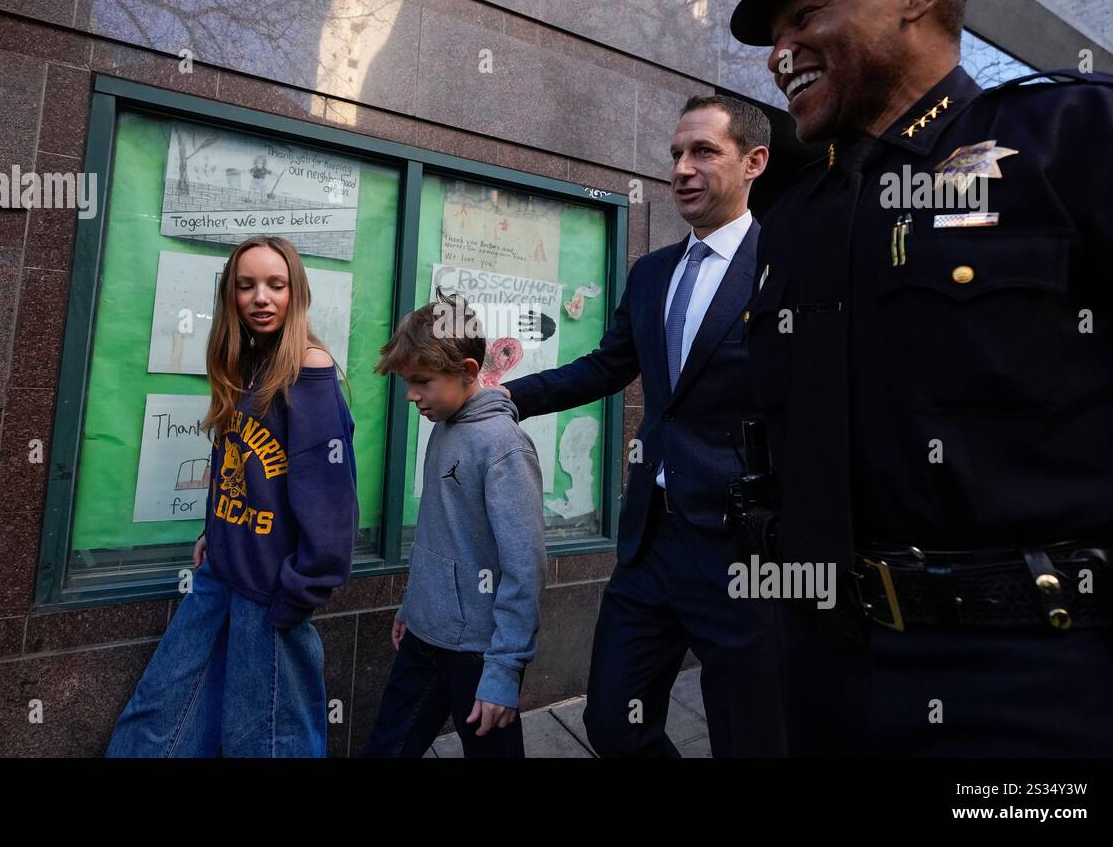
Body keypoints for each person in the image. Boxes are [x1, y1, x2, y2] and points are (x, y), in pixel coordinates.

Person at [732, 0, 1113, 755]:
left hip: (1029, 689)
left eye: (806, 15)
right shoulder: (794, 219)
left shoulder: (1082, 141)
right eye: (775, 32)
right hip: (819, 675)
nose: (780, 55)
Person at [502, 95, 786, 757]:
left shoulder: (788, 267)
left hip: (743, 551)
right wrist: (499, 399)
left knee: (753, 737)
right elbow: (604, 368)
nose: (682, 169)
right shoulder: (653, 272)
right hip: (650, 542)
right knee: (613, 724)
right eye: (675, 155)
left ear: (755, 162)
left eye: (703, 152)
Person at [106, 235, 358, 758]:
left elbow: (332, 505)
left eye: (276, 284)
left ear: (297, 293)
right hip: (221, 571)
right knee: (160, 715)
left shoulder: (308, 373)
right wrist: (212, 530)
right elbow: (235, 461)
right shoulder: (246, 365)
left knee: (266, 742)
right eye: (246, 286)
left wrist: (297, 592)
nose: (260, 297)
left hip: (269, 591)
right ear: (230, 297)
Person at [361, 290, 547, 758]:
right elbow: (438, 532)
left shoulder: (504, 447)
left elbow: (525, 567)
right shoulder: (443, 427)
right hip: (424, 637)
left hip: (480, 654)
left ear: (467, 371)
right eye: (408, 381)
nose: (411, 395)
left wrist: (504, 670)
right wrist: (411, 606)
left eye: (421, 381)